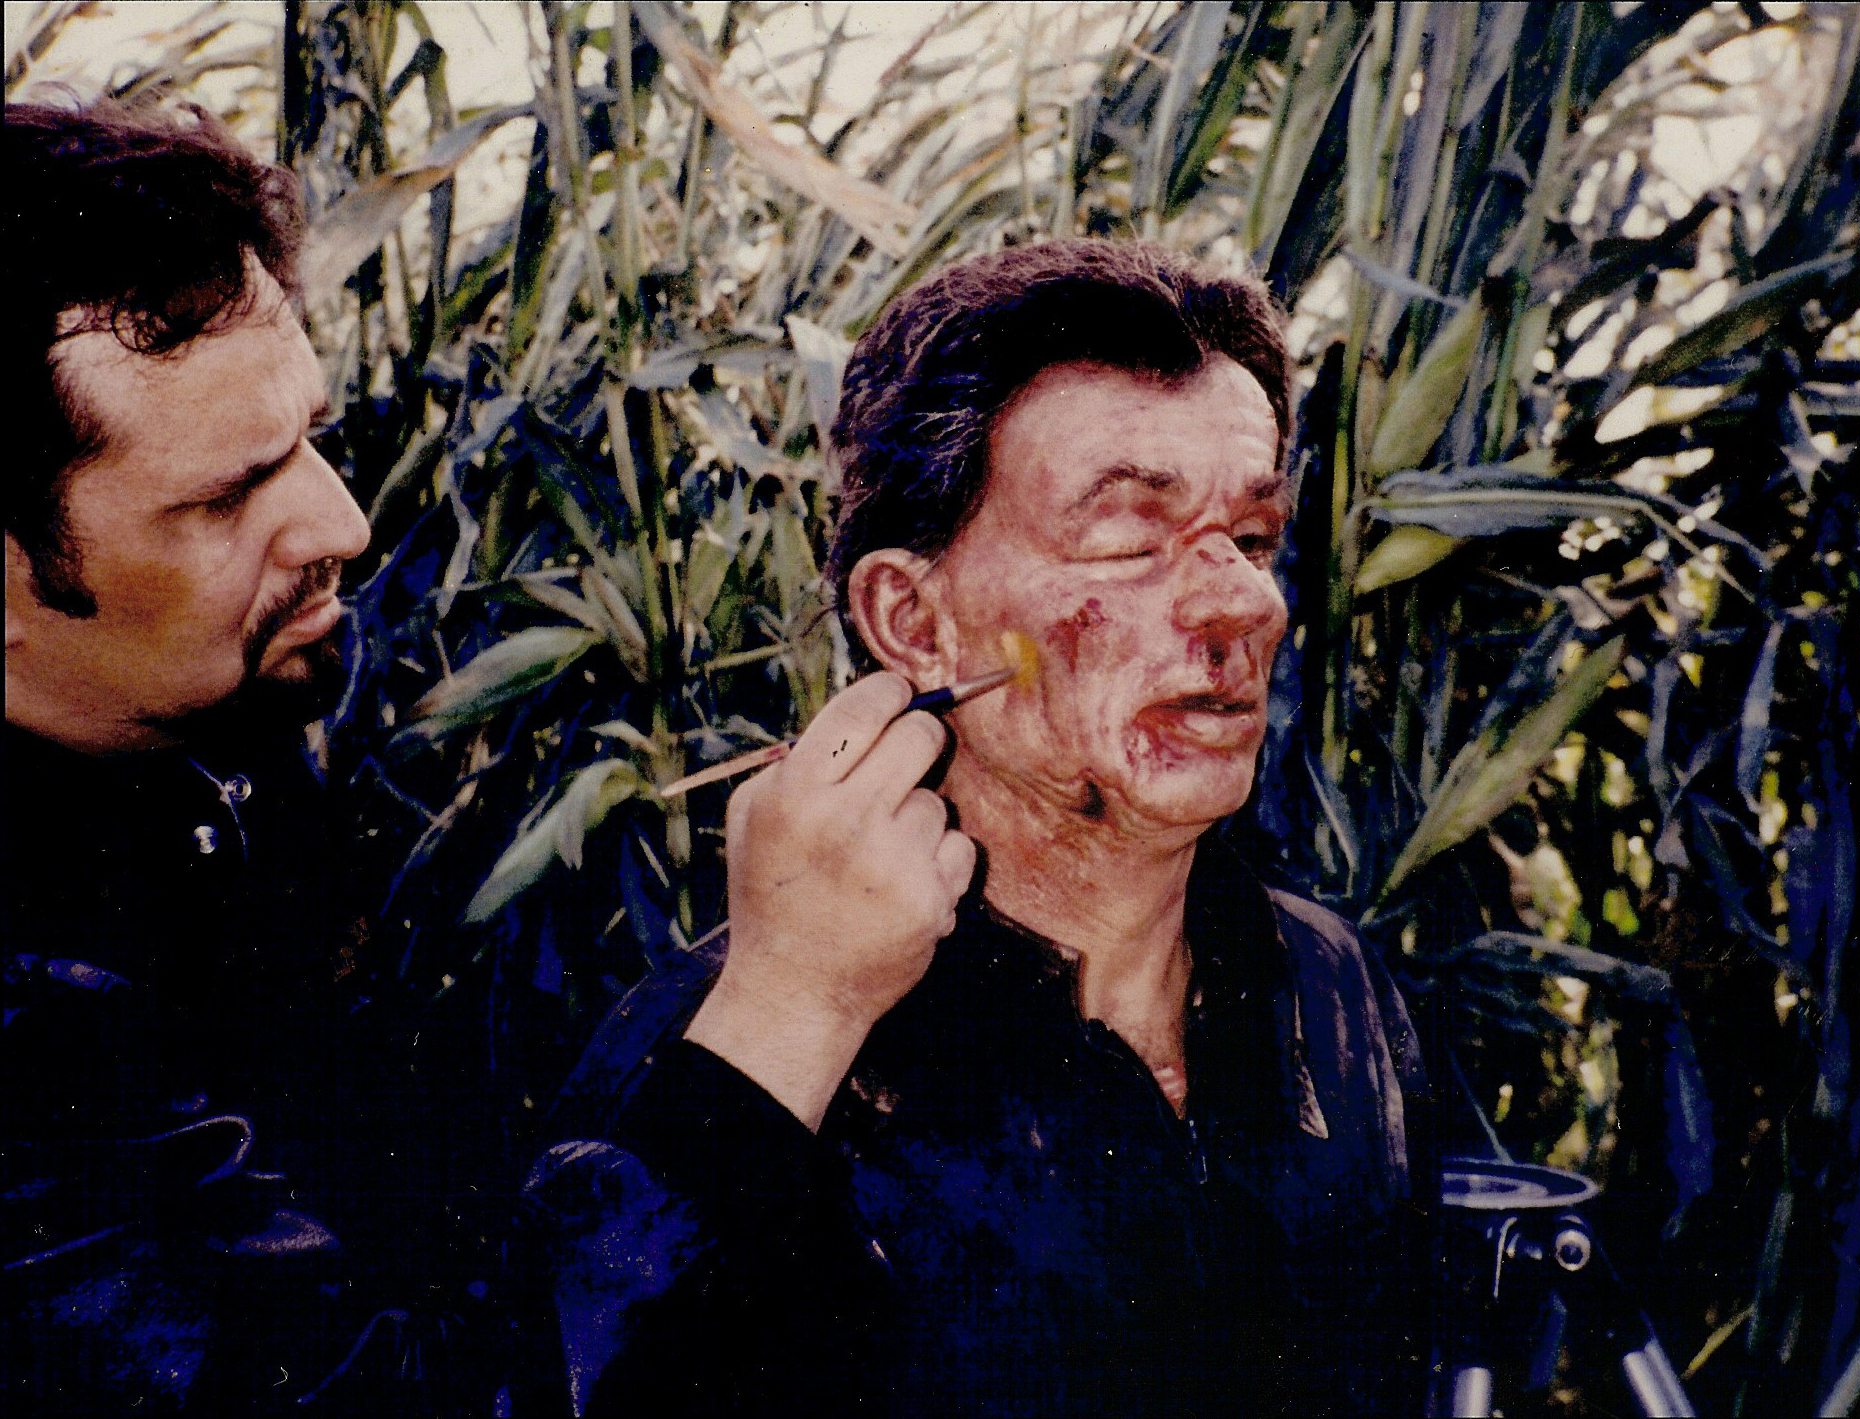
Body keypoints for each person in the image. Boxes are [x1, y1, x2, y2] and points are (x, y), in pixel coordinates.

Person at [527, 241, 1437, 1416]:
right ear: (912, 620)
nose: (1243, 602)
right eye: (1127, 539)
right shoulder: (742, 1066)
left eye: (1253, 539)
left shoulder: (1333, 989)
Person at [3, 98, 500, 1415]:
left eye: (311, 440)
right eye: (227, 496)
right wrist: (769, 1022)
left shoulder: (212, 748)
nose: (340, 521)